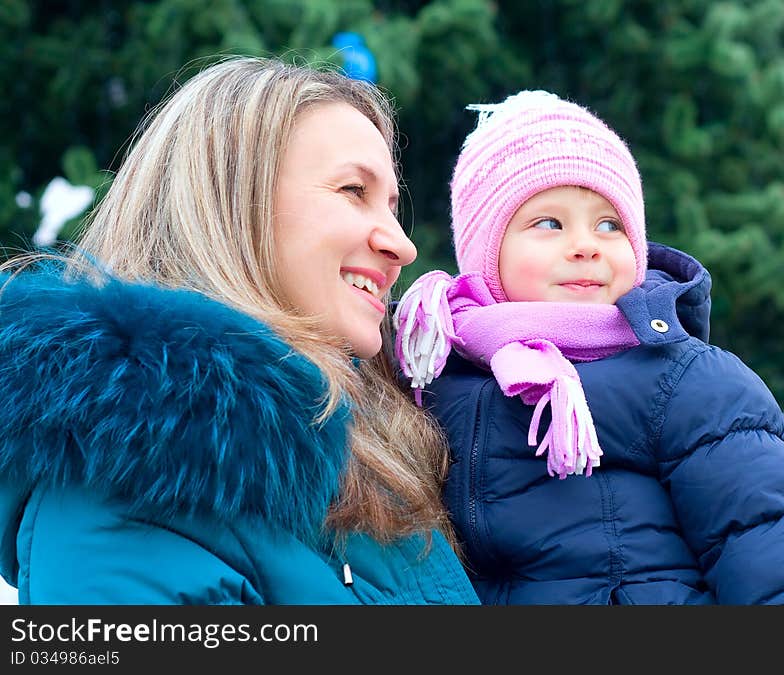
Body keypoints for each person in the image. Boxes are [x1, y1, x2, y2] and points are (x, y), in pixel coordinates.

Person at [0, 56, 479, 605]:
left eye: (393, 207)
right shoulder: (127, 487)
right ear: (229, 206)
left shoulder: (356, 452)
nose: (404, 245)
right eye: (353, 190)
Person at [393, 90, 784, 604]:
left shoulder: (688, 381)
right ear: (485, 251)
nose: (586, 244)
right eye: (550, 223)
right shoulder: (431, 374)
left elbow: (778, 563)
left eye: (609, 224)